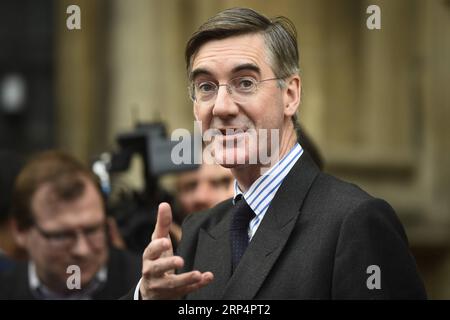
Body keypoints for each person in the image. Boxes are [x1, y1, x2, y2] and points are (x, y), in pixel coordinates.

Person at [130, 7, 426, 299]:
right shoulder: (197, 230)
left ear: (291, 95)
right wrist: (146, 296)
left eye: (245, 83)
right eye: (206, 87)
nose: (221, 106)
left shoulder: (355, 221)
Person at [0, 151, 141, 299]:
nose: (82, 250)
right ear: (21, 230)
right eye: (62, 236)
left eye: (92, 230)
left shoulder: (149, 285)